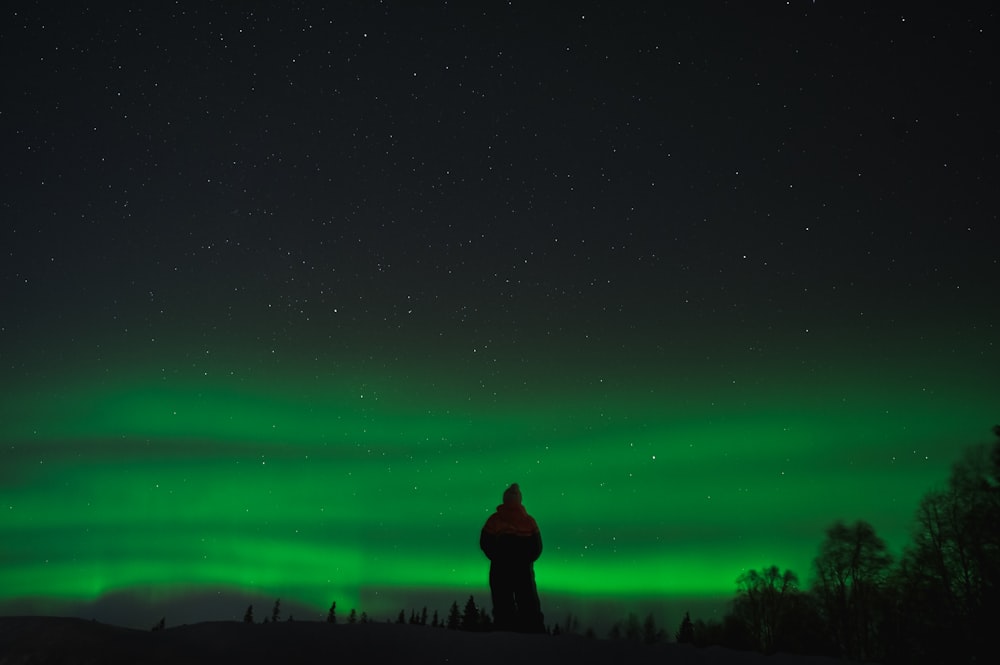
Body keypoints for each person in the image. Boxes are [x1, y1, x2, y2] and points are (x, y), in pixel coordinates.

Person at [479, 483, 545, 632]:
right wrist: (524, 560)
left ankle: (505, 637)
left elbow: (485, 542)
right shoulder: (528, 521)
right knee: (528, 604)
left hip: (501, 569)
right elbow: (537, 547)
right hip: (521, 571)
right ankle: (534, 637)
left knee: (503, 605)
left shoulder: (495, 520)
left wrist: (498, 558)